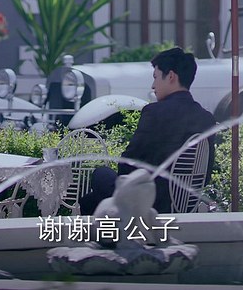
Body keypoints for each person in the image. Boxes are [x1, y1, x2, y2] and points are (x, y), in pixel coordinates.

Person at [80, 47, 216, 214]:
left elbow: (127, 165)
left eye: (155, 77)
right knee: (91, 200)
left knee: (100, 174)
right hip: (187, 203)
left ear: (171, 76)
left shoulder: (154, 112)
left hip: (148, 202)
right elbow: (205, 176)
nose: (153, 85)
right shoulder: (207, 119)